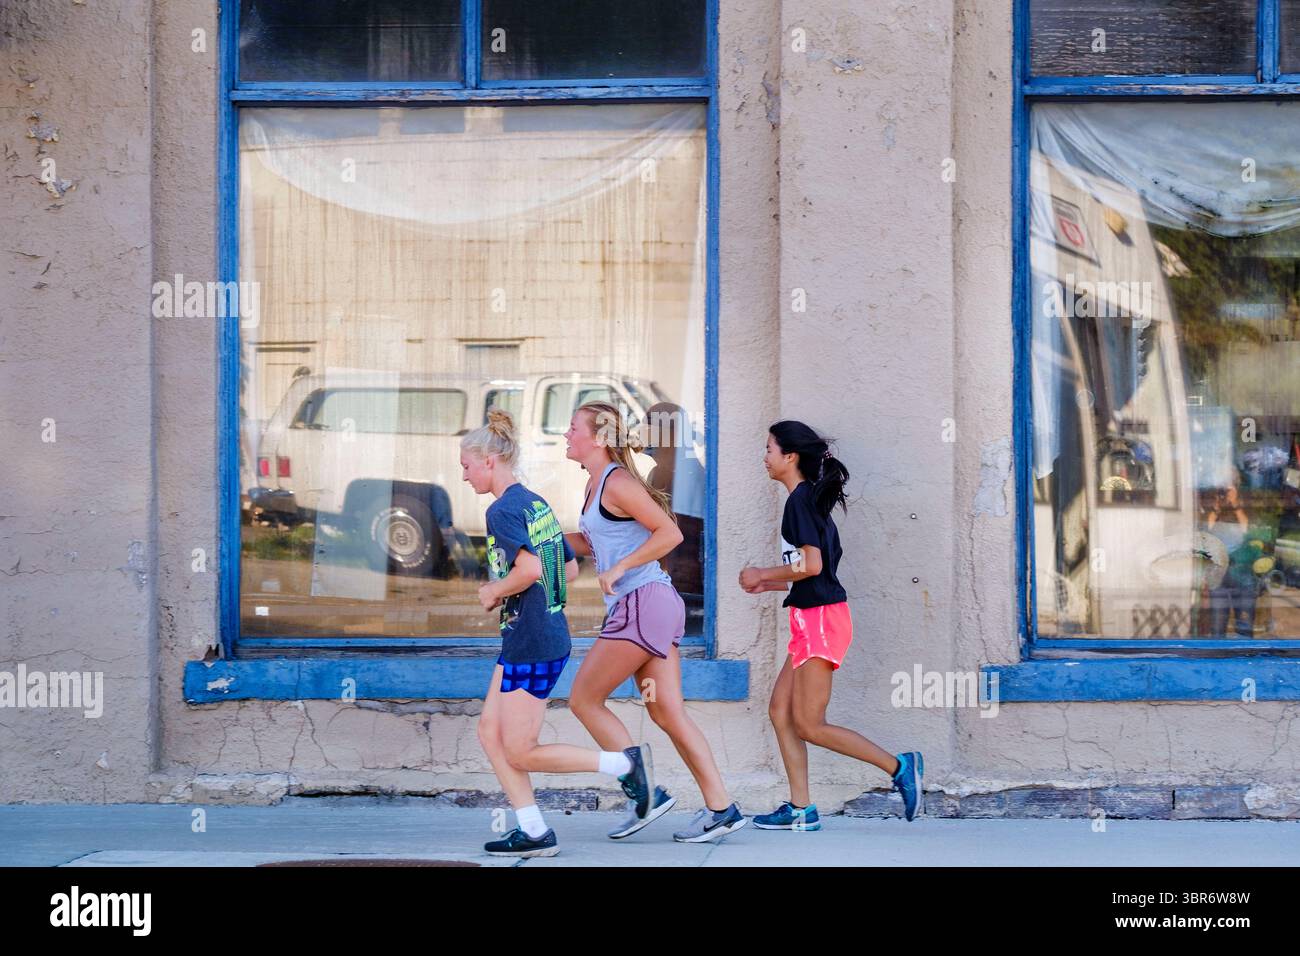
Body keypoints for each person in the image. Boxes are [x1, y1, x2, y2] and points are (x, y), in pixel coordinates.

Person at [461, 408, 655, 858]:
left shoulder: (503, 511)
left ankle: (622, 763)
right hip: (531, 637)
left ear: (490, 461)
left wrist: (494, 590)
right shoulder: (534, 501)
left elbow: (529, 568)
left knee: (521, 751)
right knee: (490, 734)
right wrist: (534, 600)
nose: (465, 476)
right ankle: (533, 831)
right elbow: (566, 565)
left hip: (532, 642)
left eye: (467, 466)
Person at [564, 400, 747, 843]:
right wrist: (546, 535)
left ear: (598, 437)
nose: (565, 435)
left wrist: (619, 567)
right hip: (651, 605)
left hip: (643, 604)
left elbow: (670, 532)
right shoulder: (595, 483)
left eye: (572, 428)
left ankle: (645, 793)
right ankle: (722, 809)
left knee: (584, 699)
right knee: (668, 712)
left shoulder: (619, 482)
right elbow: (594, 541)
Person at [739, 420, 924, 829]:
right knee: (780, 711)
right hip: (811, 619)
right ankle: (801, 809)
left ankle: (899, 766)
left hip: (821, 622)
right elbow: (812, 574)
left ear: (790, 457)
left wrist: (760, 573)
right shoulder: (806, 501)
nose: (764, 457)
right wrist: (768, 583)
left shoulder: (799, 502)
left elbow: (813, 565)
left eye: (769, 449)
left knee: (808, 723)